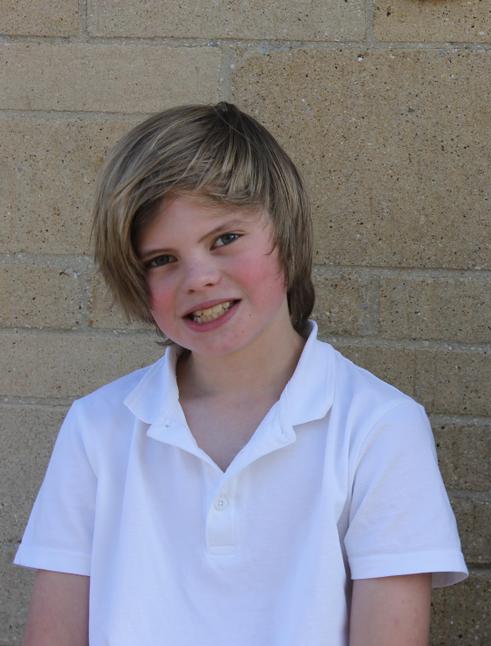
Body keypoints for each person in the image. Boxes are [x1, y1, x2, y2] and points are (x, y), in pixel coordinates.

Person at [14, 103, 467, 645]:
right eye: (161, 259)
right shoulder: (97, 427)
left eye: (225, 238)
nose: (199, 277)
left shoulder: (378, 427)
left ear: (287, 234)